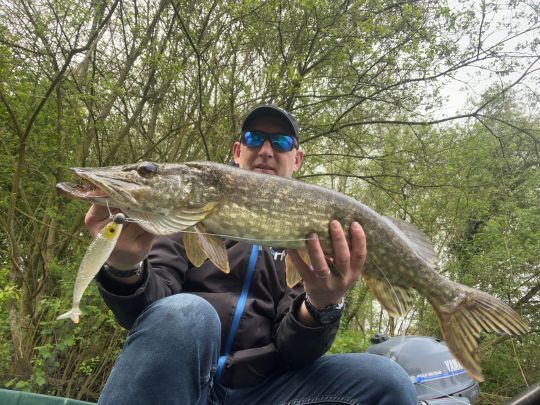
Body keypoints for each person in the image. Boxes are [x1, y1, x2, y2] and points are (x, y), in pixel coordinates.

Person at [87, 105, 417, 404]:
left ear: (297, 159)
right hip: (184, 384)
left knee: (388, 381)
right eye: (254, 138)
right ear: (237, 150)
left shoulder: (312, 239)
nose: (266, 150)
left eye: (282, 142)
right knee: (187, 311)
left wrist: (322, 307)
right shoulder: (180, 219)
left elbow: (294, 352)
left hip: (266, 393)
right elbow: (148, 317)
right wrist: (125, 267)